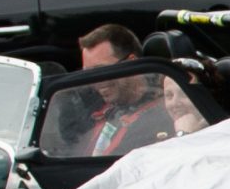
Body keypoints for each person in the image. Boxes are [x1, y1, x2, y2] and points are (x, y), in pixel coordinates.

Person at [73, 24, 177, 156]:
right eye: (88, 74)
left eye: (102, 70)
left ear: (131, 62)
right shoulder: (92, 105)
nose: (96, 82)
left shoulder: (165, 112)